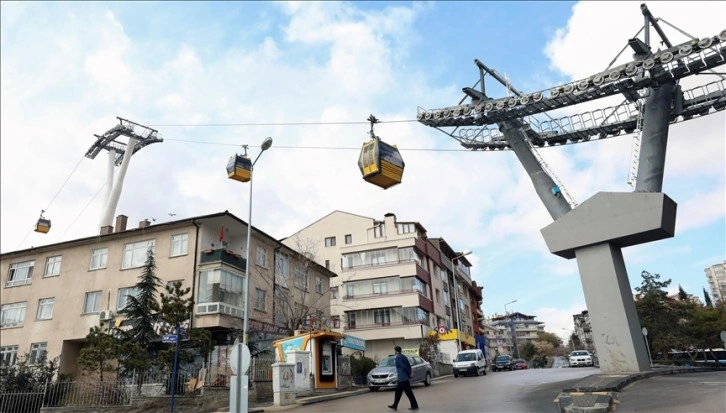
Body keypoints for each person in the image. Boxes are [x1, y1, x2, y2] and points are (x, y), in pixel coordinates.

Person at [388, 346, 419, 411]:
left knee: (408, 392)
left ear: (396, 351)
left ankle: (414, 405)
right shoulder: (403, 356)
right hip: (402, 378)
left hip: (403, 378)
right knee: (398, 392)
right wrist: (409, 372)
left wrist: (409, 373)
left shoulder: (398, 357)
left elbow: (404, 367)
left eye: (394, 350)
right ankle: (395, 405)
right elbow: (408, 365)